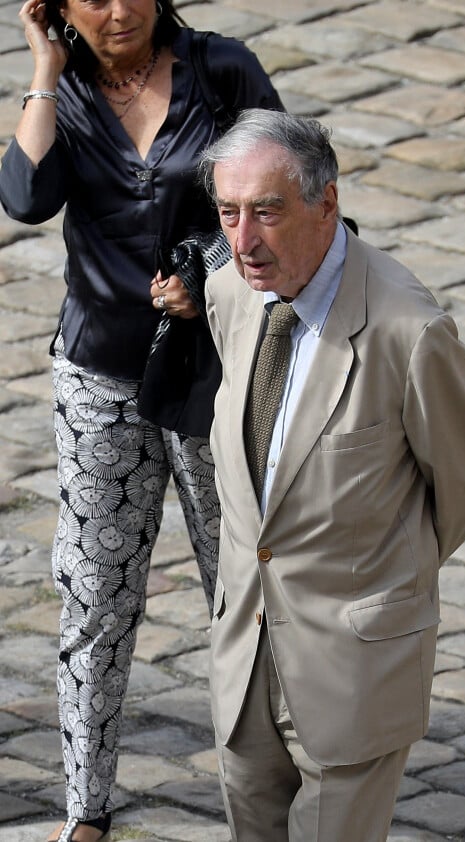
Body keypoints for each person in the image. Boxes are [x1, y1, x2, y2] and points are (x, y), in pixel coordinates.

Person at [0, 1, 283, 839]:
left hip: (211, 373)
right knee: (94, 599)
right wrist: (46, 74)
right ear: (58, 8)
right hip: (98, 377)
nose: (117, 11)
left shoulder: (220, 68)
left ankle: (264, 803)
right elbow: (23, 196)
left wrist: (209, 273)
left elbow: (286, 190)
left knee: (240, 593)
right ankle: (85, 812)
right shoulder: (67, 92)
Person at [198, 109, 465, 842]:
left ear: (326, 202)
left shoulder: (409, 330)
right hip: (244, 650)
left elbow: (464, 486)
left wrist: (383, 578)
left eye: (268, 211)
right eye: (229, 213)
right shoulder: (230, 290)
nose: (244, 241)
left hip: (356, 660)